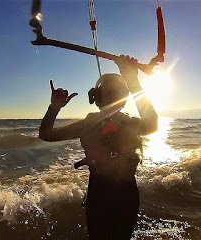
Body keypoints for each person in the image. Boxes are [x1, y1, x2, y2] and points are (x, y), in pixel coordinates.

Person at [39, 55, 158, 240]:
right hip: (100, 198)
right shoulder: (88, 124)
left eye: (118, 93)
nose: (114, 96)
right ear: (96, 97)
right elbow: (46, 135)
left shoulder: (129, 123)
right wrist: (54, 108)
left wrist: (132, 80)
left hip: (124, 198)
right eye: (110, 92)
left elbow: (152, 125)